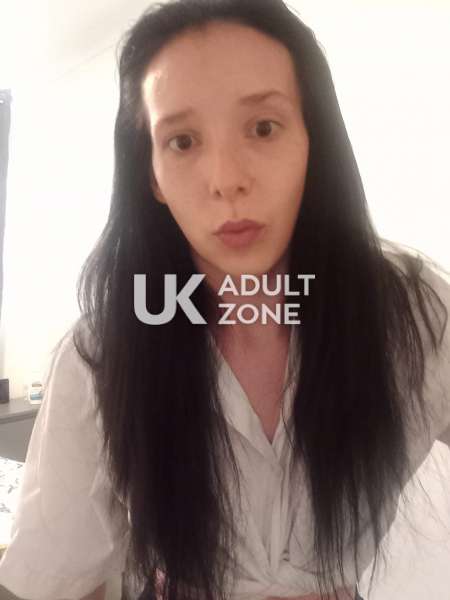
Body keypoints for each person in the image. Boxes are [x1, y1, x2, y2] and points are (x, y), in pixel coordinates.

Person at [0, 0, 449, 599]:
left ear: (312, 139)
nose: (226, 179)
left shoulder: (413, 314)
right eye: (183, 141)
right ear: (152, 176)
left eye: (262, 127)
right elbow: (57, 578)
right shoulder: (103, 351)